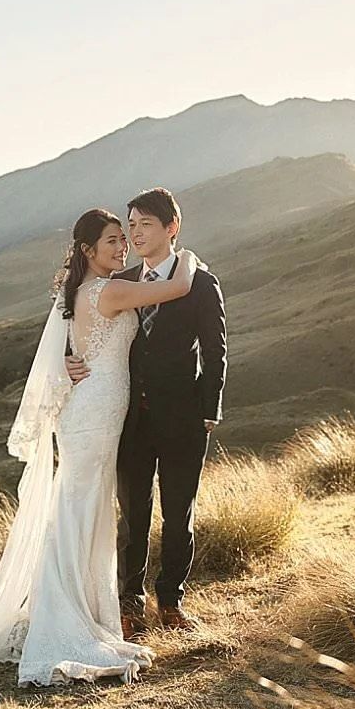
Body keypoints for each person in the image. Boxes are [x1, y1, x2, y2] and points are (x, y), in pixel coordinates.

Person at [0, 208, 201, 686]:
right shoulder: (107, 290)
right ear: (88, 250)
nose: (123, 247)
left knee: (86, 509)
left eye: (124, 238)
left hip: (95, 412)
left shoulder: (85, 289)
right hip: (93, 415)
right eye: (113, 241)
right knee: (79, 510)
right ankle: (64, 619)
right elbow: (179, 286)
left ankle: (81, 609)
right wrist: (186, 256)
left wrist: (67, 360)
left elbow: (79, 342)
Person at [66, 187, 226, 637]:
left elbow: (215, 351)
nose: (134, 234)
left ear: (172, 228)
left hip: (183, 418)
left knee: (178, 515)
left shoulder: (202, 283)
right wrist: (67, 361)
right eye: (131, 225)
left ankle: (171, 601)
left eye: (145, 225)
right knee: (132, 516)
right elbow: (80, 326)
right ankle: (129, 603)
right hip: (128, 420)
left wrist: (209, 409)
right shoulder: (123, 280)